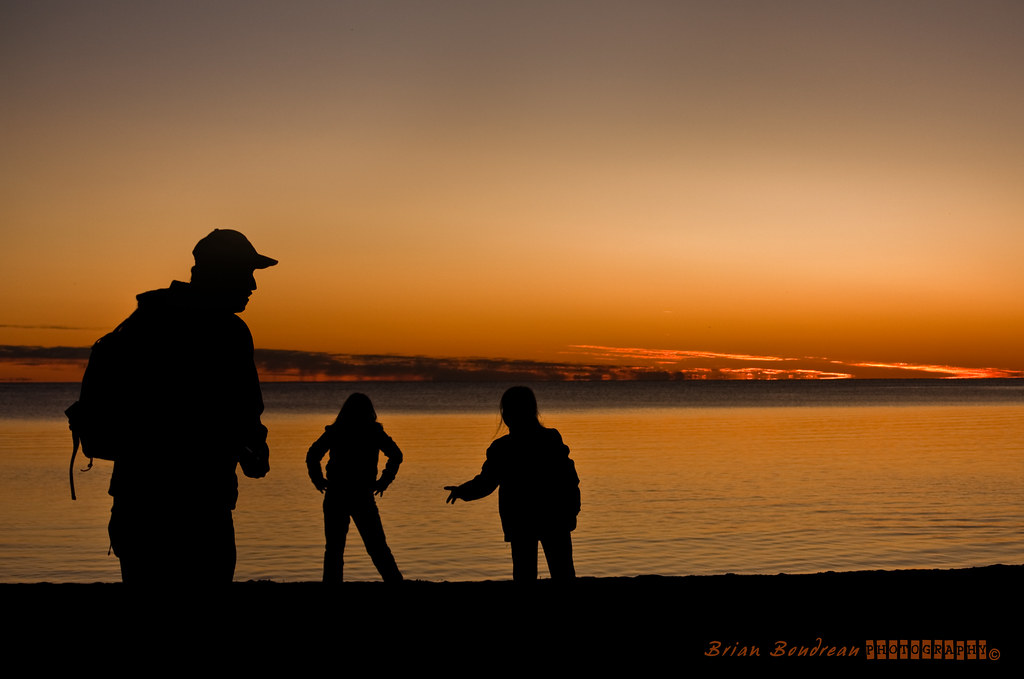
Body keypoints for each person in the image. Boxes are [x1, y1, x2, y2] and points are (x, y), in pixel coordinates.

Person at [102, 229, 276, 583]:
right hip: (200, 507)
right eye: (247, 273)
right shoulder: (228, 332)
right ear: (220, 272)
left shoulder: (142, 322)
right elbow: (243, 411)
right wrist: (254, 451)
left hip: (137, 505)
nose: (253, 286)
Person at [445, 386, 580, 581]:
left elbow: (487, 482)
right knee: (561, 573)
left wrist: (463, 491)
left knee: (530, 574)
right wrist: (463, 491)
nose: (505, 415)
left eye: (506, 410)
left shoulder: (505, 448)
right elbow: (569, 479)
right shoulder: (547, 439)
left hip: (526, 518)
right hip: (550, 517)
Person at [306, 393, 404, 582]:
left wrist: (317, 479)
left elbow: (313, 455)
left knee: (335, 548)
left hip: (340, 493)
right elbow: (396, 455)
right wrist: (385, 480)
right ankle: (395, 582)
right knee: (376, 546)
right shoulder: (373, 432)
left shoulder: (337, 431)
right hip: (358, 494)